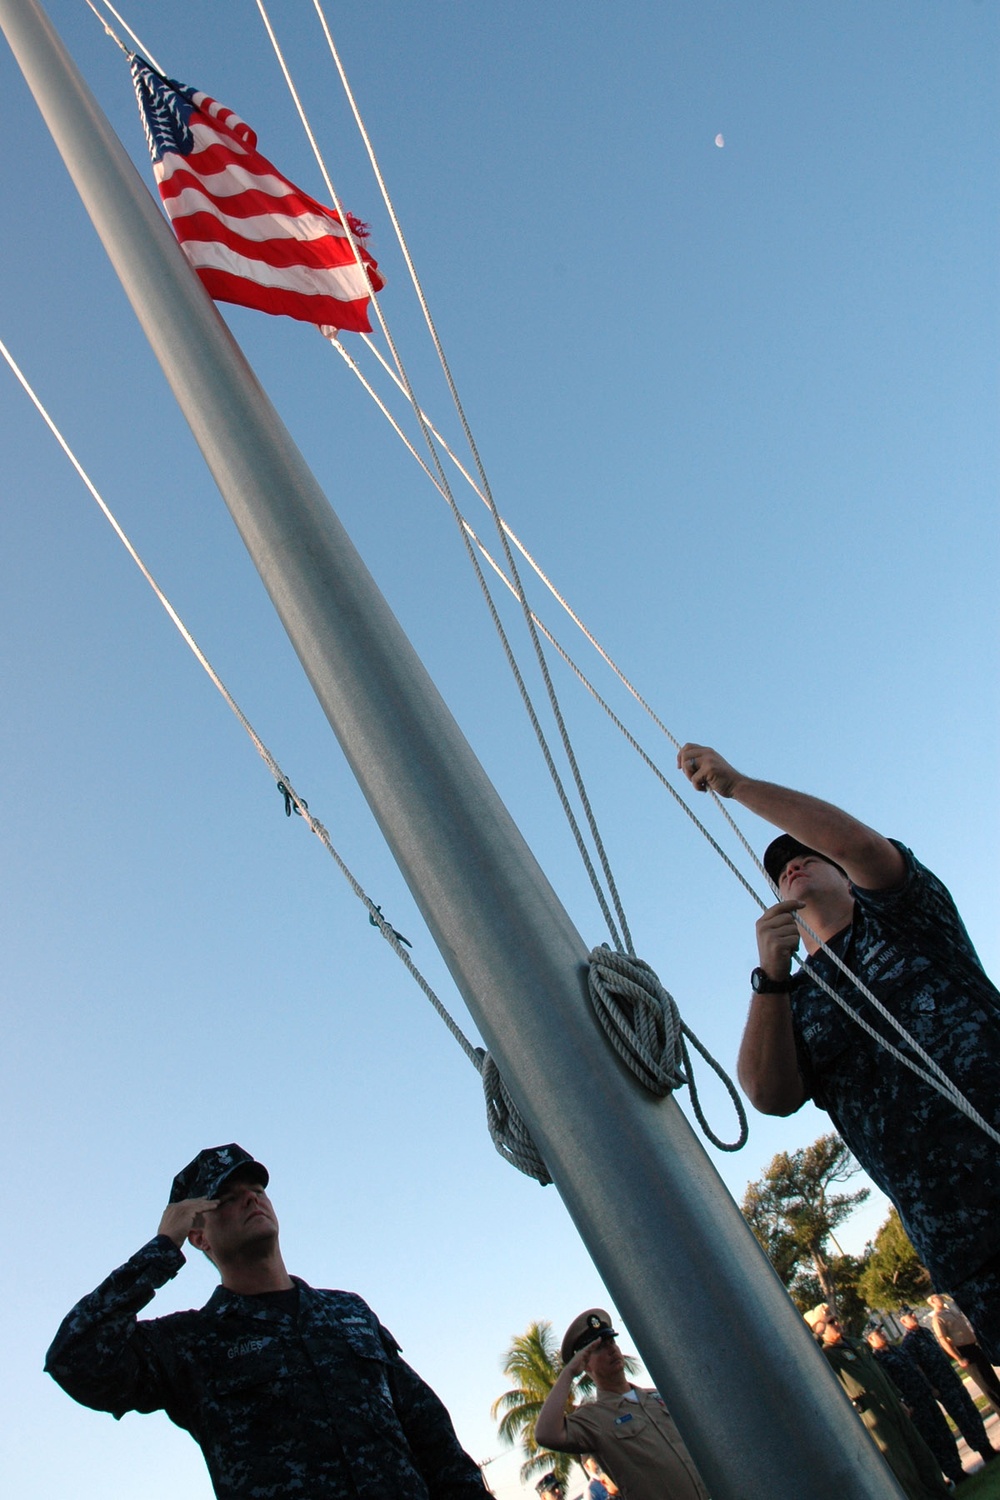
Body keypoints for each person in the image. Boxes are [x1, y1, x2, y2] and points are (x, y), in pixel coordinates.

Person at [677, 743, 1000, 1361]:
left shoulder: (906, 916)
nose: (792, 867)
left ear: (842, 874)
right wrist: (769, 977)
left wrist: (739, 785)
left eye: (806, 857)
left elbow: (859, 845)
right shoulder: (794, 1000)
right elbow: (769, 1096)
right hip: (964, 1244)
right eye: (780, 871)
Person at [45, 1143, 489, 1500]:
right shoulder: (192, 1342)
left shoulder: (348, 1312)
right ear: (198, 1232)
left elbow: (430, 1433)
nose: (251, 1198)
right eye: (227, 1197)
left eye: (255, 1188)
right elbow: (75, 1358)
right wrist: (162, 1247)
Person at [534, 1309, 709, 1500]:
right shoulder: (594, 1418)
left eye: (612, 1341)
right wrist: (568, 1373)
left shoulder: (657, 1397)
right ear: (585, 1363)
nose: (611, 1349)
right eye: (599, 1347)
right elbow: (545, 1434)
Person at [803, 1306, 949, 1499]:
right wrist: (818, 1333)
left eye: (835, 1319)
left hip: (892, 1405)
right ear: (819, 1327)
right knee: (902, 1466)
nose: (837, 1324)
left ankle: (941, 1495)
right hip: (873, 1415)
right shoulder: (827, 1355)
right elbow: (807, 1355)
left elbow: (881, 1373)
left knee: (921, 1454)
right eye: (830, 1322)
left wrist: (899, 1399)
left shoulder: (855, 1343)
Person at [865, 1326, 965, 1487]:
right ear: (870, 1339)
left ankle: (957, 1468)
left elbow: (916, 1369)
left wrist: (930, 1387)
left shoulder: (897, 1350)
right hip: (914, 1404)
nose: (883, 1334)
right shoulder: (879, 1360)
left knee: (944, 1431)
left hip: (925, 1396)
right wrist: (905, 1403)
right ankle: (946, 1476)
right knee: (932, 1439)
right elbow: (890, 1385)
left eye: (882, 1331)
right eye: (878, 1333)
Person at [897, 1309, 998, 1465]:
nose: (914, 1317)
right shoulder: (909, 1343)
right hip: (941, 1385)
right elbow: (917, 1368)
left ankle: (987, 1444)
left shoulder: (925, 1332)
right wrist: (931, 1387)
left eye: (913, 1314)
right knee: (963, 1417)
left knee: (971, 1411)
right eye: (909, 1316)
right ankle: (982, 1449)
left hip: (952, 1379)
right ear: (903, 1322)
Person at [928, 1294, 1000, 1409]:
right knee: (987, 1385)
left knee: (993, 1380)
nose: (941, 1298)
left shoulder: (950, 1311)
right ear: (932, 1302)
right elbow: (942, 1339)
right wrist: (959, 1358)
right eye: (937, 1298)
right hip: (964, 1351)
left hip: (974, 1347)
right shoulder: (938, 1318)